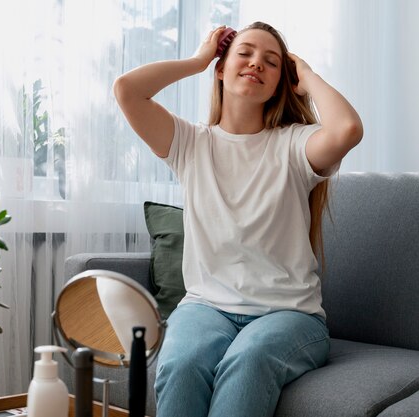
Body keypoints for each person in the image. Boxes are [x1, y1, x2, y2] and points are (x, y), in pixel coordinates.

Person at [113, 21, 363, 417]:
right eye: (244, 53)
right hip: (205, 308)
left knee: (248, 360)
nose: (256, 64)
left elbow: (347, 129)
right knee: (180, 365)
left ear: (284, 80)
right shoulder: (190, 144)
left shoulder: (295, 145)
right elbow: (128, 90)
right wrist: (197, 60)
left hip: (290, 315)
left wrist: (309, 76)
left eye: (272, 62)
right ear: (221, 68)